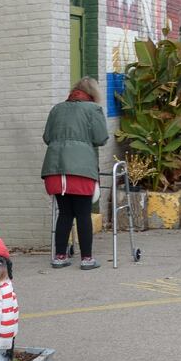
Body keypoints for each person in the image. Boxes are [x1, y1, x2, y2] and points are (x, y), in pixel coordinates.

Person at [41, 77, 109, 270]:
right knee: (83, 214)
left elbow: (47, 137)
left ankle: (60, 256)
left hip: (54, 168)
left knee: (64, 213)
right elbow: (101, 137)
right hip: (81, 169)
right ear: (93, 93)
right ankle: (87, 259)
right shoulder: (93, 109)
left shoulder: (57, 109)